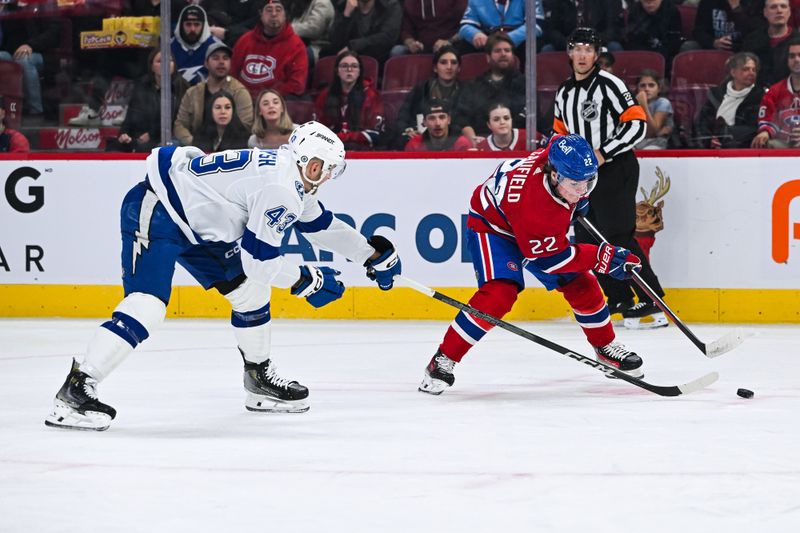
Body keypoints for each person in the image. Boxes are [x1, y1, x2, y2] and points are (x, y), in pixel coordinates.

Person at [44, 121, 403, 431]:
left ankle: (258, 377)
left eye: (330, 171)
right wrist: (308, 280)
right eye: (320, 168)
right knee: (148, 306)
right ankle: (77, 388)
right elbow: (260, 261)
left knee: (251, 293)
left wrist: (369, 253)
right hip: (159, 209)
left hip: (199, 225)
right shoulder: (281, 187)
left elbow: (320, 224)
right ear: (303, 159)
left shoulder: (290, 176)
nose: (324, 177)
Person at [418, 134, 645, 395]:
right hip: (494, 227)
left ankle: (606, 349)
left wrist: (577, 200)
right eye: (575, 184)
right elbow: (552, 261)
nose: (582, 190)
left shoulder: (557, 156)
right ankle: (442, 360)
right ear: (555, 175)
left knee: (582, 284)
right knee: (499, 295)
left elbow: (558, 139)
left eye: (588, 183)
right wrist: (601, 257)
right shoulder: (534, 206)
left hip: (530, 226)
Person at [553, 27, 667, 329]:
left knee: (617, 234)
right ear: (569, 52)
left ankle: (651, 300)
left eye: (588, 49)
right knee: (588, 239)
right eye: (576, 48)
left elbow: (637, 125)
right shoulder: (564, 92)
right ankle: (619, 299)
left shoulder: (610, 85)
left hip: (616, 168)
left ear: (596, 54)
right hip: (582, 177)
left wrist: (604, 152)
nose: (582, 54)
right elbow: (559, 133)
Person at [174, 42, 254, 147]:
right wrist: (194, 143)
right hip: (196, 146)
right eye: (215, 58)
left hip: (231, 146)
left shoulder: (239, 92)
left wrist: (222, 143)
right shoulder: (192, 93)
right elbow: (180, 124)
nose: (221, 62)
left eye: (225, 58)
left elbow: (245, 125)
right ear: (206, 63)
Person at [457, 32, 526, 147]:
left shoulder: (524, 84)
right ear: (488, 57)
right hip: (481, 147)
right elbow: (462, 118)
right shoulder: (475, 85)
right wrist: (474, 141)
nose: (503, 54)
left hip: (516, 147)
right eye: (498, 51)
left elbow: (529, 118)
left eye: (507, 50)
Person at [231, 0, 309, 99]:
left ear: (285, 15)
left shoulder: (296, 45)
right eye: (269, 10)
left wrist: (267, 97)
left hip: (275, 103)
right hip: (243, 100)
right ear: (260, 14)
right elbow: (232, 73)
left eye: (278, 10)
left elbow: (297, 84)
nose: (274, 14)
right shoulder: (245, 40)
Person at [114, 50, 189, 153]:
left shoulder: (182, 87)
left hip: (170, 139)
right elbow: (131, 114)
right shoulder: (142, 86)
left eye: (169, 61)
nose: (165, 64)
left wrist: (151, 134)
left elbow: (176, 119)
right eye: (160, 61)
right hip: (140, 137)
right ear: (152, 67)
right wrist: (124, 134)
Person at [394, 45, 467, 148]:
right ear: (435, 68)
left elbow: (468, 122)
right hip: (422, 141)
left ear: (459, 68)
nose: (449, 67)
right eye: (443, 62)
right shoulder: (421, 89)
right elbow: (403, 115)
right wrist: (407, 130)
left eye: (454, 63)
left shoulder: (467, 91)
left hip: (453, 142)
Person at [313, 50, 385, 149]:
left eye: (354, 66)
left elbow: (375, 134)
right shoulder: (325, 95)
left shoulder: (371, 95)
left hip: (362, 150)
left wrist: (344, 137)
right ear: (337, 71)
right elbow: (316, 131)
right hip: (330, 149)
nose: (349, 69)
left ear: (360, 72)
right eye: (344, 66)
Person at [696, 52, 764, 148]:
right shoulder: (715, 94)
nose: (751, 73)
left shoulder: (760, 96)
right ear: (733, 72)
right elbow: (701, 122)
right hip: (710, 149)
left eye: (754, 70)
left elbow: (754, 129)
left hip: (741, 150)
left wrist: (724, 138)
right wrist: (708, 140)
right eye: (746, 69)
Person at [751, 37, 800, 147]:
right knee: (767, 144)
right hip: (783, 143)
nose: (796, 59)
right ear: (786, 60)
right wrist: (765, 132)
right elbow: (768, 120)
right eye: (792, 56)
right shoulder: (775, 91)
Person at [323, 0, 403, 64]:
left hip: (378, 57)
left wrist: (353, 47)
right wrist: (346, 16)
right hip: (347, 59)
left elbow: (387, 37)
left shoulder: (391, 5)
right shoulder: (343, 5)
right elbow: (334, 41)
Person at [742, 0, 800, 86]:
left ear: (789, 12)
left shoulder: (798, 40)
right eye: (773, 7)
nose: (779, 11)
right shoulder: (752, 40)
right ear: (765, 12)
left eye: (783, 7)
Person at [457, 0, 543, 56]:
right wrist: (475, 34)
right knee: (466, 45)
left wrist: (506, 39)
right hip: (488, 40)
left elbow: (536, 25)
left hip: (518, 41)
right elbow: (465, 26)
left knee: (532, 43)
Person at [541, 0, 625, 52]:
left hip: (597, 43)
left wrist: (593, 41)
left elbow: (613, 28)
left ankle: (616, 80)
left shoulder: (606, 2)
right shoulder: (561, 2)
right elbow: (552, 30)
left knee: (615, 47)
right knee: (548, 50)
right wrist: (567, 42)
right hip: (568, 44)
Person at [391, 0, 467, 56]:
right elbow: (406, 30)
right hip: (422, 48)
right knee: (397, 51)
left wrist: (449, 41)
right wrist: (411, 43)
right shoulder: (410, 2)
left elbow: (466, 25)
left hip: (451, 45)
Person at [171, 4, 223, 85]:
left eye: (197, 24)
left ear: (204, 26)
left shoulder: (217, 48)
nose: (192, 29)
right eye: (188, 24)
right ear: (181, 25)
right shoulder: (168, 46)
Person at [624, 0, 683, 68]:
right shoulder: (634, 10)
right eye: (646, 1)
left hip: (665, 54)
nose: (650, 4)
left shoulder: (672, 11)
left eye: (653, 1)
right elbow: (631, 40)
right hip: (641, 53)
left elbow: (674, 41)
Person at [404, 98, 473, 151]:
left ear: (449, 120)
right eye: (432, 118)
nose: (437, 123)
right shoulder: (414, 145)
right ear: (424, 122)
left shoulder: (462, 144)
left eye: (442, 117)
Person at [285, 0, 335, 67]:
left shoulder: (322, 2)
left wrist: (286, 29)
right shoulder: (300, 3)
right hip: (298, 43)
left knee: (289, 58)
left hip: (316, 47)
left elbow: (314, 28)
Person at [634, 70, 674, 150]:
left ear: (659, 89)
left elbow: (652, 132)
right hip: (635, 144)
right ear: (637, 88)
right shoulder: (631, 104)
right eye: (642, 86)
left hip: (656, 145)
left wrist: (643, 105)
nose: (646, 89)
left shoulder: (663, 103)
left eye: (651, 85)